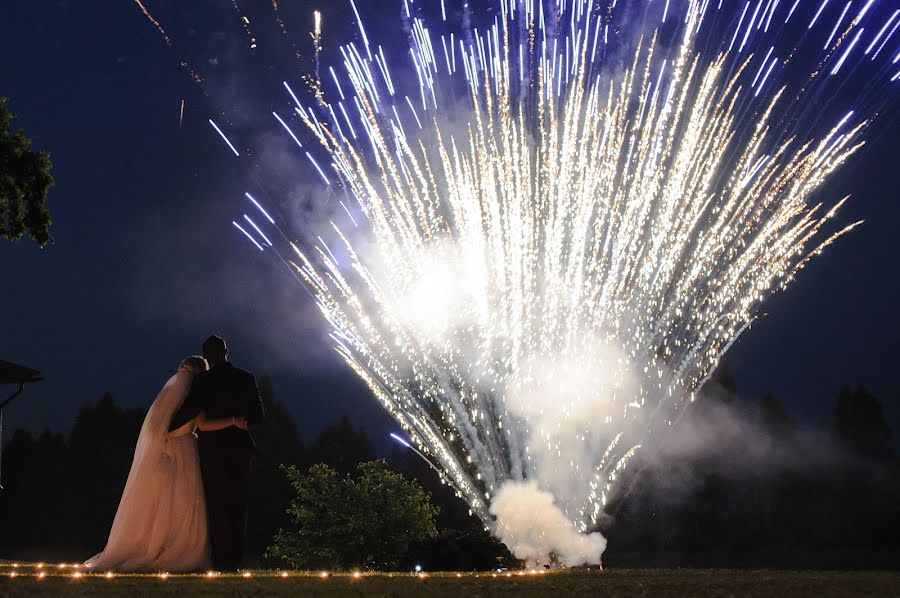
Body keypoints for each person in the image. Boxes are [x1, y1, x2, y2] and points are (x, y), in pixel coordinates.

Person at [84, 357, 247, 572]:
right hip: (183, 450)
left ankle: (158, 546)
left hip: (170, 448)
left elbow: (158, 425)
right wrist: (233, 421)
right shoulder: (193, 395)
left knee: (164, 502)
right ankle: (176, 550)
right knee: (184, 503)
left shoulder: (172, 394)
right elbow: (203, 424)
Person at [168, 335, 265, 572]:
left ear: (207, 356)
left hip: (213, 451)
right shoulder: (246, 378)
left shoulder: (204, 381)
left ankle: (222, 561)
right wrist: (240, 422)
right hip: (241, 449)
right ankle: (235, 561)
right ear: (226, 351)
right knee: (239, 505)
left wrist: (166, 426)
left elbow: (188, 410)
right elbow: (258, 416)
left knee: (217, 504)